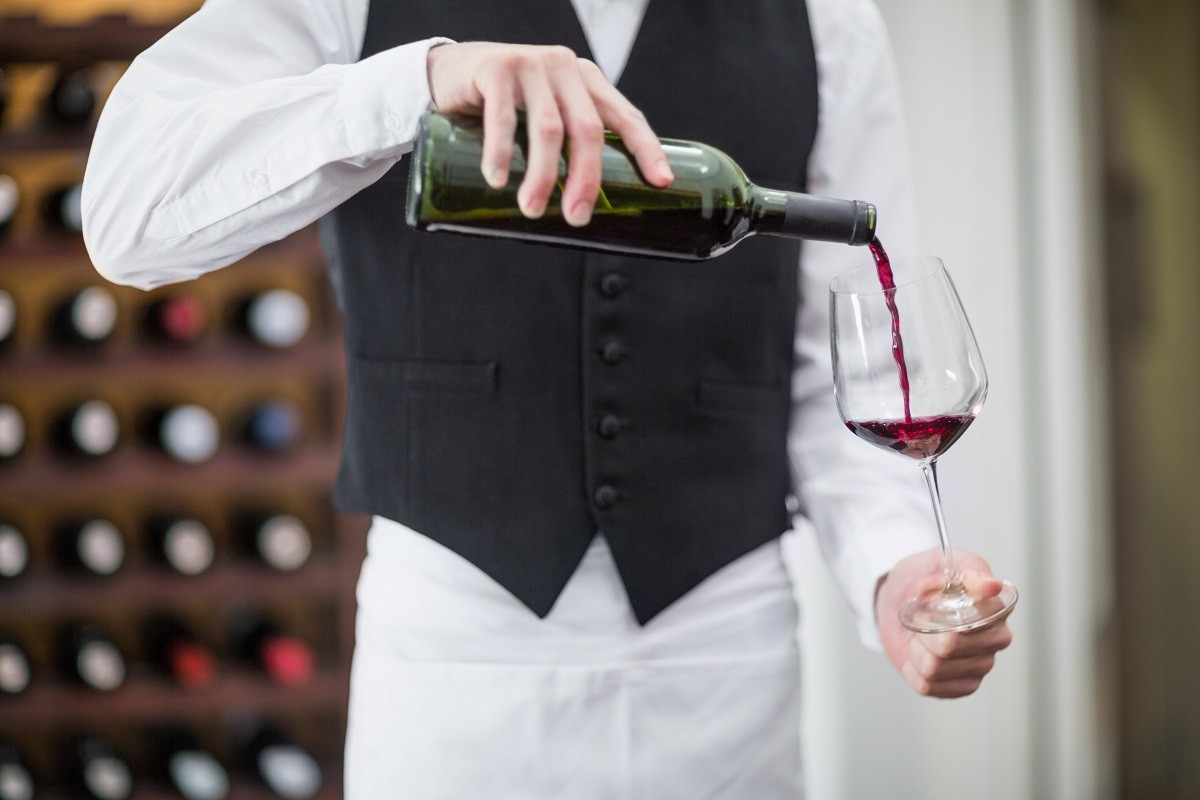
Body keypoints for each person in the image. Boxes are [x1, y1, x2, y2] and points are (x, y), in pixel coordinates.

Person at [82, 0, 1014, 796]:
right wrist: (413, 84)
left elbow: (839, 364)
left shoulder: (824, 17)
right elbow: (126, 215)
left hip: (726, 672)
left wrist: (892, 568)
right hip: (451, 665)